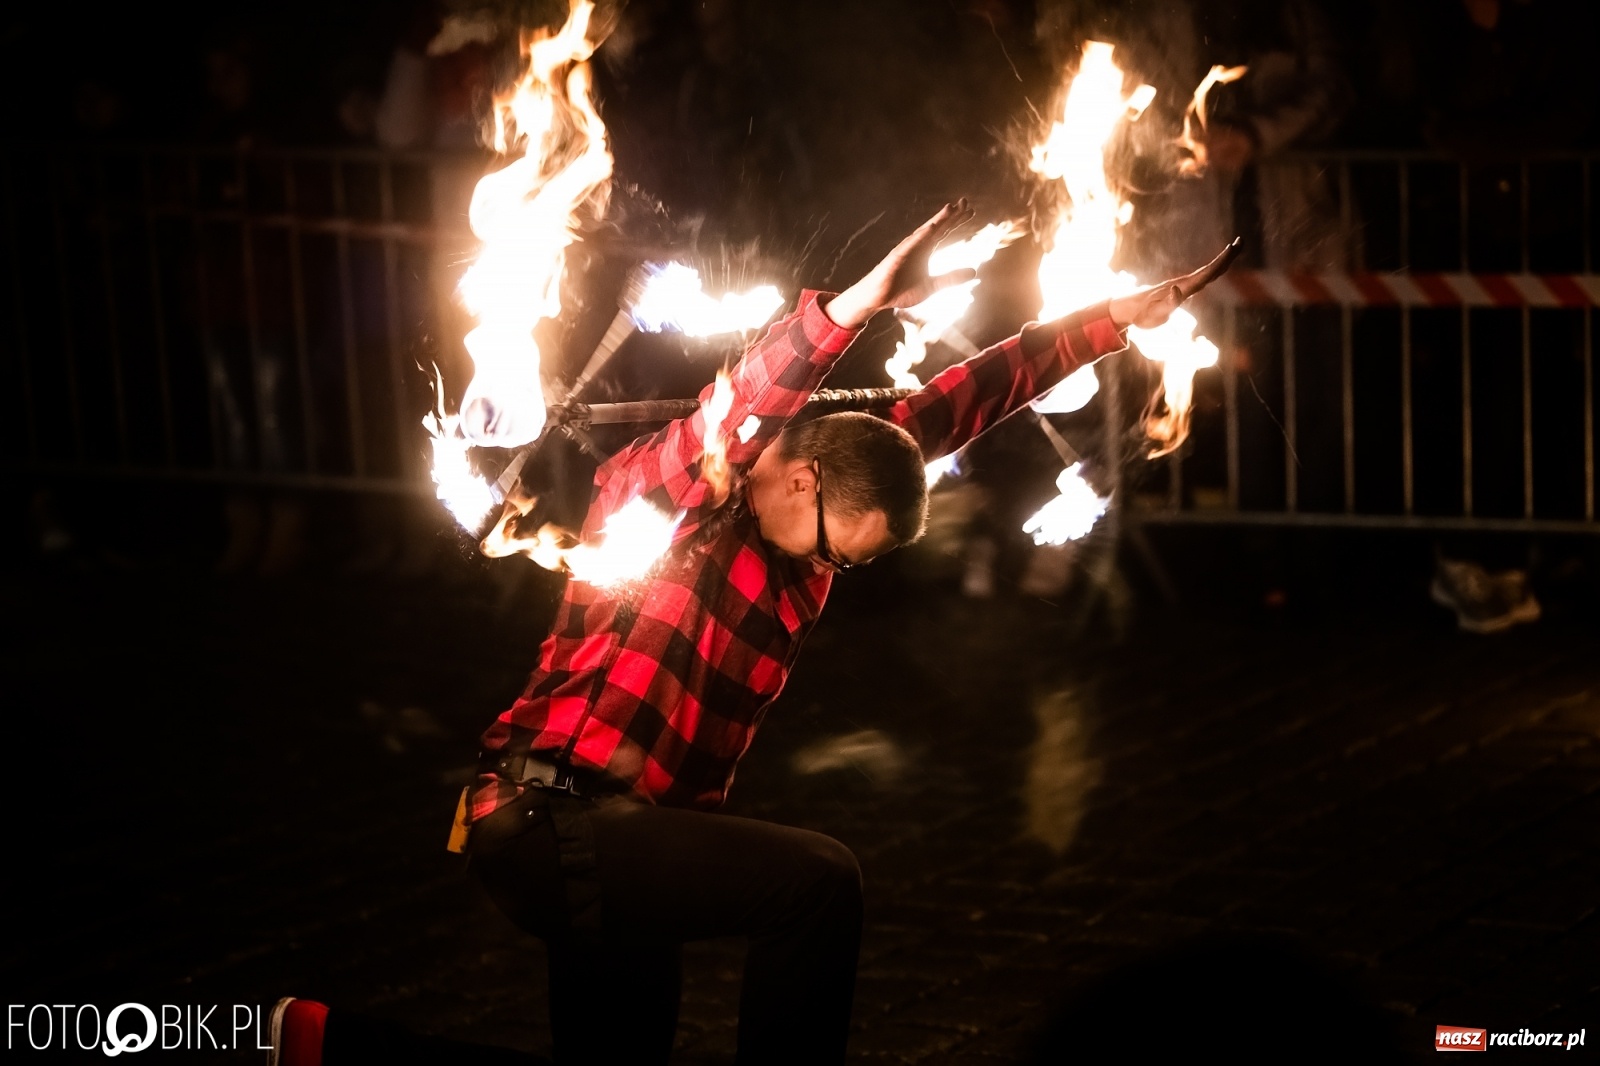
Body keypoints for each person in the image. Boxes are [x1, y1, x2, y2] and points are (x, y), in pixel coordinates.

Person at [268, 201, 1234, 1065]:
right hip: (550, 820)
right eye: (839, 551)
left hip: (640, 838)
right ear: (802, 479)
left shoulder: (824, 498)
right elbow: (750, 399)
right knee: (817, 885)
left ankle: (326, 1046)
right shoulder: (681, 490)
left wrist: (1117, 319)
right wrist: (853, 307)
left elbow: (979, 392)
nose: (834, 571)